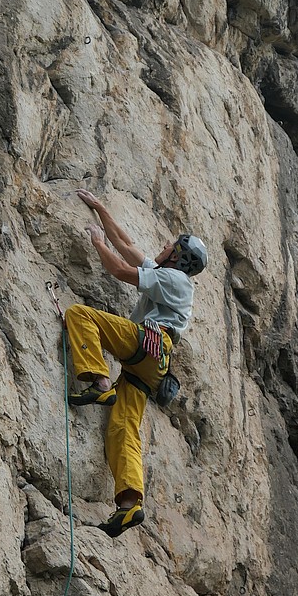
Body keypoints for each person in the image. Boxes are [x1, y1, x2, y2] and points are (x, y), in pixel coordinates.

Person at [64, 189, 207, 538]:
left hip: (147, 344)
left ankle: (98, 382)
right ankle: (129, 504)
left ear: (176, 255)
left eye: (170, 244)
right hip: (151, 366)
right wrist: (100, 209)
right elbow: (127, 245)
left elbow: (118, 267)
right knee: (124, 427)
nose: (163, 245)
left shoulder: (172, 279)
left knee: (81, 315)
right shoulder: (172, 277)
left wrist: (97, 242)